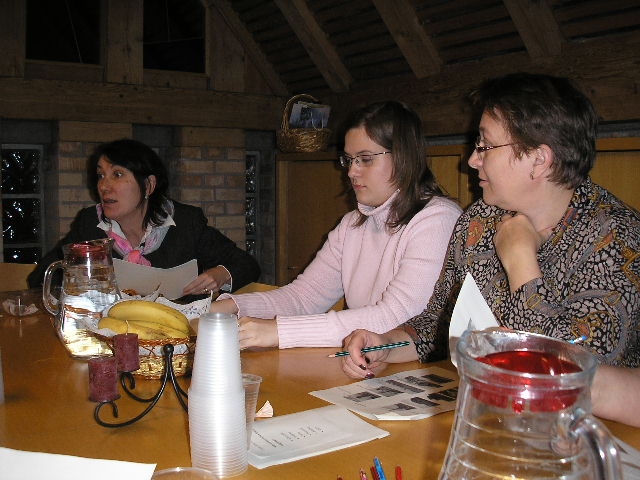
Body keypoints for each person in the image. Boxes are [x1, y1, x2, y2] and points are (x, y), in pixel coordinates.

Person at [340, 73, 640, 385]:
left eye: (485, 146)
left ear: (539, 160)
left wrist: (521, 262)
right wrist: (386, 345)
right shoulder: (479, 221)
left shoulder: (618, 239)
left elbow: (575, 374)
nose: (472, 160)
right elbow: (438, 325)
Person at [210, 100, 462, 349]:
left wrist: (278, 331)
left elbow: (398, 318)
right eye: (349, 159)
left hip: (426, 368)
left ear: (404, 157)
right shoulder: (351, 224)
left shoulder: (438, 220)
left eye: (365, 159)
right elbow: (304, 297)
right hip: (368, 362)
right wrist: (232, 306)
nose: (351, 171)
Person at [28, 138, 261, 296]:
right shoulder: (90, 224)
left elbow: (246, 264)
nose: (104, 186)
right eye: (101, 175)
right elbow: (42, 276)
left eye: (117, 174)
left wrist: (220, 274)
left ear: (148, 185)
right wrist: (81, 280)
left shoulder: (186, 222)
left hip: (176, 337)